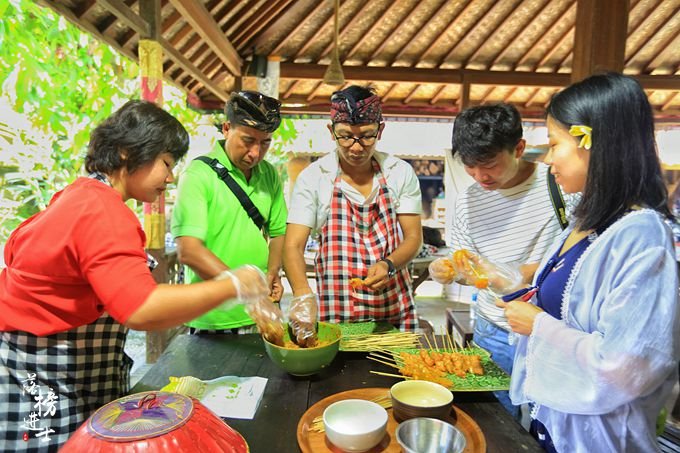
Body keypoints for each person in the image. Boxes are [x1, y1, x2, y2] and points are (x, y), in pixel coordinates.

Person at [0, 100, 269, 451]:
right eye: (166, 164)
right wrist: (234, 284)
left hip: (63, 371)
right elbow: (141, 307)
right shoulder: (101, 210)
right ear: (128, 152)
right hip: (44, 379)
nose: (170, 178)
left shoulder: (80, 196)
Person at [498, 72, 679, 452]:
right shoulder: (588, 220)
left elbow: (629, 366)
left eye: (554, 144)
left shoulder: (642, 236)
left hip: (599, 438)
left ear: (592, 142)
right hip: (556, 422)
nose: (549, 160)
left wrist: (539, 325)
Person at [445, 103, 573, 419]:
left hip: (553, 334)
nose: (478, 176)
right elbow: (466, 268)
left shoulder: (562, 187)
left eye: (488, 164)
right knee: (498, 423)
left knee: (554, 423)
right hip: (494, 330)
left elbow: (582, 259)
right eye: (469, 166)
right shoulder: (468, 201)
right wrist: (453, 271)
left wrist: (521, 274)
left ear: (518, 148)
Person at [283, 85, 423, 331]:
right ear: (331, 131)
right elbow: (293, 245)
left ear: (380, 130)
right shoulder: (314, 178)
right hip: (337, 315)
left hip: (393, 313)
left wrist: (388, 265)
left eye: (367, 136)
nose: (356, 147)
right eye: (346, 136)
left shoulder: (399, 172)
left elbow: (413, 237)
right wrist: (303, 295)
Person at [172, 90, 287, 334]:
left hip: (260, 314)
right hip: (212, 317)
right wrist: (245, 292)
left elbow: (278, 233)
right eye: (247, 140)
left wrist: (273, 272)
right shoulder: (197, 175)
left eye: (265, 142)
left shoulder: (269, 174)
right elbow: (189, 251)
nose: (255, 153)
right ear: (226, 128)